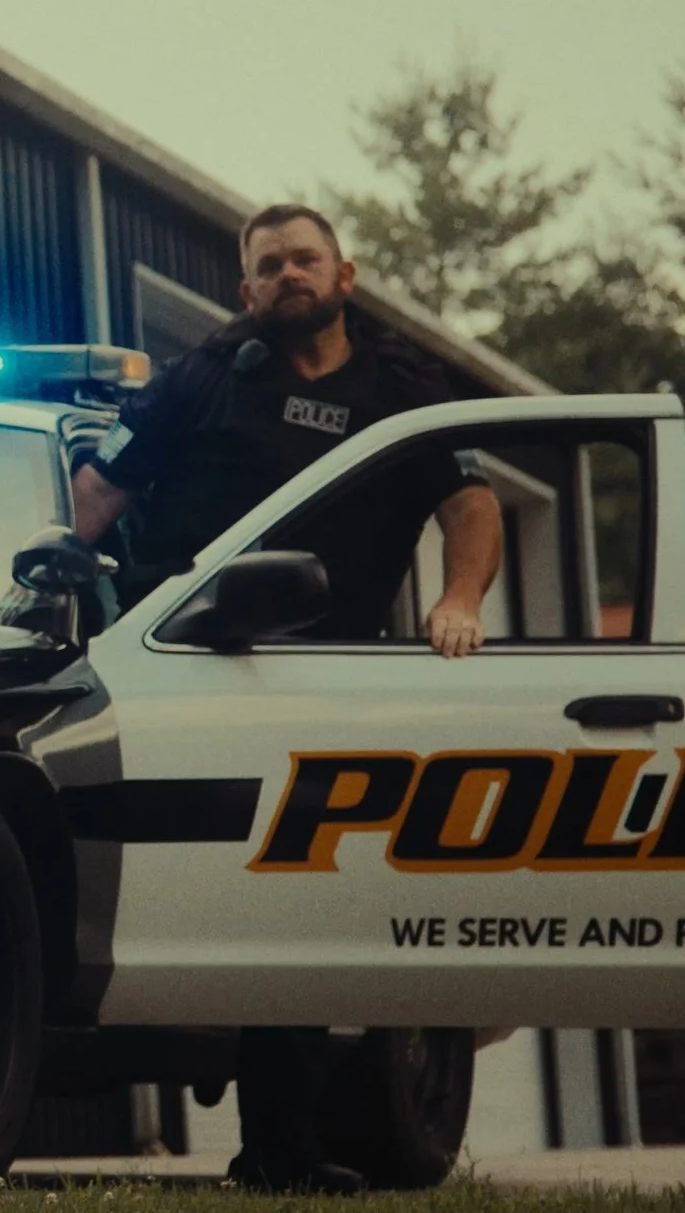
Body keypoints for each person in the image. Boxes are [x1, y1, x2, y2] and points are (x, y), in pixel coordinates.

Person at [68, 204, 502, 1193]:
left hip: (338, 679)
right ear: (245, 289)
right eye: (269, 264)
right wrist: (45, 582)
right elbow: (98, 498)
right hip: (195, 675)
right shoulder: (202, 378)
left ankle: (283, 1149)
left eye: (305, 258)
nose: (288, 274)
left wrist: (459, 596)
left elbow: (470, 504)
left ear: (344, 275)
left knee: (303, 899)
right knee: (197, 887)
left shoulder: (401, 388)